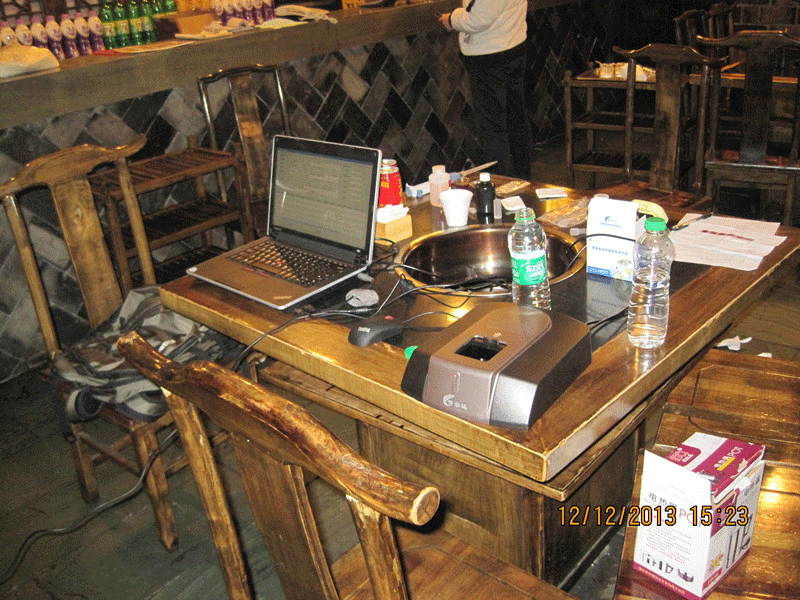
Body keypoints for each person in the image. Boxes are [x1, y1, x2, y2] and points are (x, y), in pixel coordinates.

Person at [439, 0, 532, 180]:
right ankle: (524, 180)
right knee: (517, 120)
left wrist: (451, 19)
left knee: (493, 130)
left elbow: (479, 18)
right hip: (514, 45)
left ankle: (499, 185)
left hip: (489, 56)